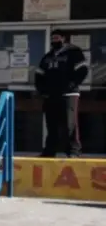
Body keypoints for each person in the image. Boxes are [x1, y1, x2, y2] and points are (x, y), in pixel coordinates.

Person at [34, 29, 88, 158]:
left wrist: (72, 84)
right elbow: (39, 75)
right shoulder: (47, 57)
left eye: (57, 38)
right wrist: (42, 91)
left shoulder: (74, 53)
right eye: (52, 38)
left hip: (69, 95)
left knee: (70, 125)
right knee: (51, 125)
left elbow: (83, 70)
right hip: (51, 96)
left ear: (64, 39)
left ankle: (73, 151)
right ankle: (49, 152)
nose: (54, 41)